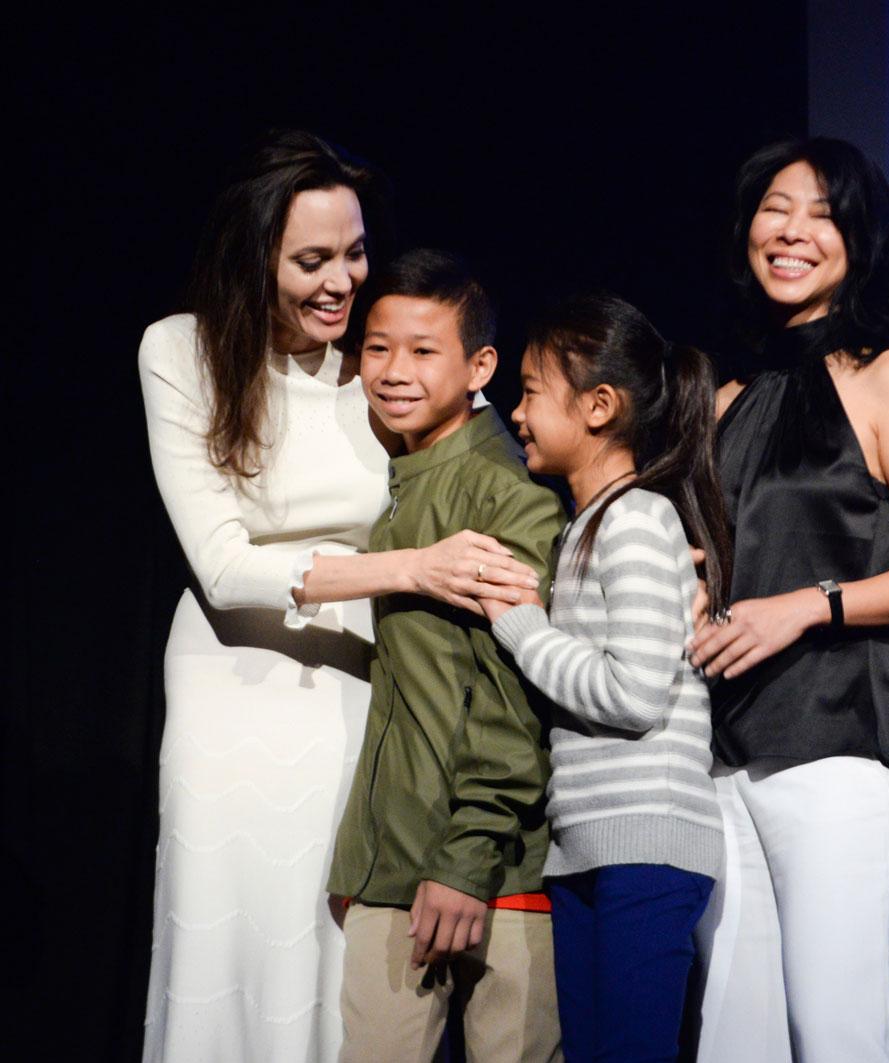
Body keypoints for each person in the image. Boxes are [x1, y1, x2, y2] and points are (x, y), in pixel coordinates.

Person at [137, 131, 537, 1062]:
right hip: (228, 684)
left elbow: (505, 464)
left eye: (354, 252)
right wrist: (412, 567)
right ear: (256, 256)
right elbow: (225, 564)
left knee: (340, 941)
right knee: (226, 927)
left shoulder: (379, 365)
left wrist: (620, 535)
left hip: (360, 682)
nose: (342, 280)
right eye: (312, 260)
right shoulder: (182, 351)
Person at [686, 137, 889, 1062]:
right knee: (734, 1037)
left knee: (838, 1027)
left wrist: (805, 605)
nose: (793, 230)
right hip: (715, 745)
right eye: (777, 207)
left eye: (822, 213)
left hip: (837, 736)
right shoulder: (721, 393)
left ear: (861, 240)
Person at [326, 249, 565, 1063]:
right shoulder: (400, 484)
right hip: (393, 869)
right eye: (378, 347)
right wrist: (359, 856)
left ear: (480, 364)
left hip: (494, 874)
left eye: (423, 350)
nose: (392, 371)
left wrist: (465, 861)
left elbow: (518, 699)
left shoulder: (509, 495)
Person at [480, 293, 733, 1062]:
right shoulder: (589, 526)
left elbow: (632, 693)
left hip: (646, 852)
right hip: (590, 849)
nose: (516, 412)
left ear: (598, 406)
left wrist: (521, 625)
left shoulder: (636, 519)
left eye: (529, 391)